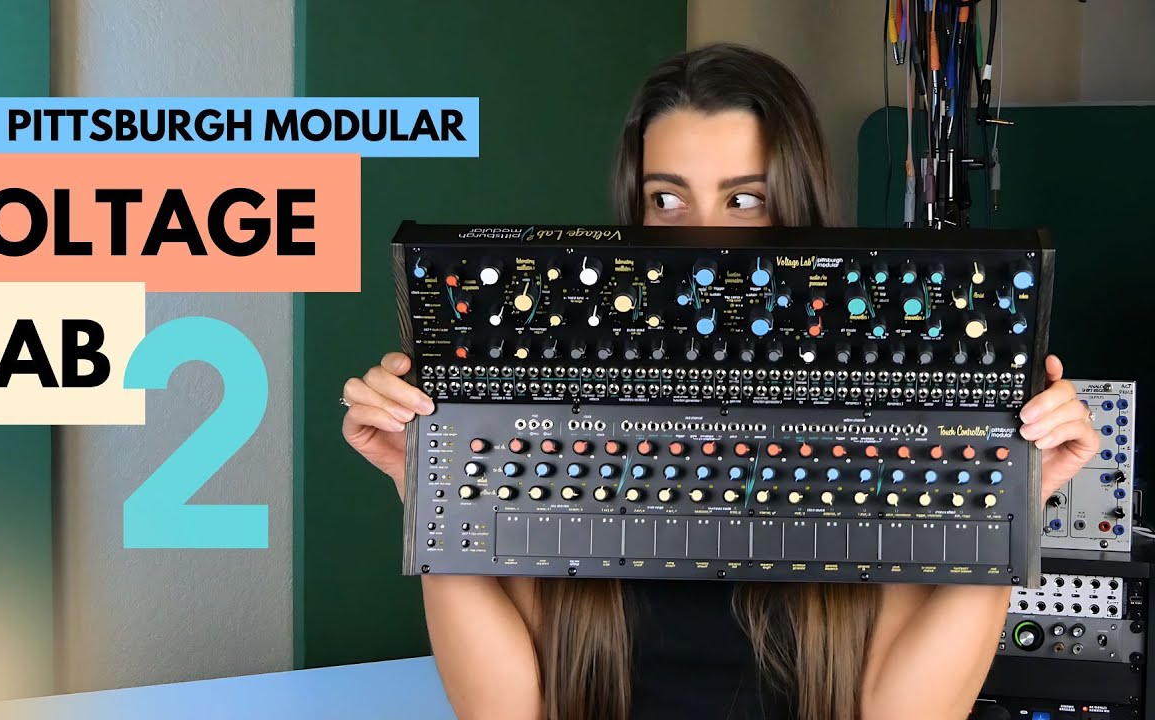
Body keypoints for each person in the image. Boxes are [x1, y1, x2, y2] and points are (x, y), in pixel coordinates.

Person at [340, 42, 1099, 720]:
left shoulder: (877, 414)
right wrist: (428, 484)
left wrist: (1010, 497)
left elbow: (907, 713)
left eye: (744, 201)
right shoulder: (555, 404)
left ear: (795, 209)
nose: (703, 236)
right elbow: (504, 710)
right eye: (667, 200)